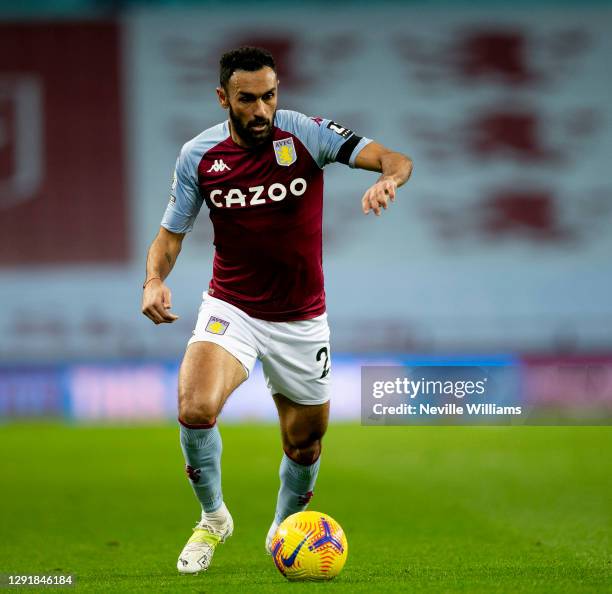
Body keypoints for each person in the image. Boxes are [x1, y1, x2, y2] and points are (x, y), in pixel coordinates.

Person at [141, 46, 413, 574]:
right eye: (248, 99)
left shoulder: (306, 134)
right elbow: (170, 236)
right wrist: (154, 280)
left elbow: (394, 158)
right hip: (232, 307)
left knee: (305, 443)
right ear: (224, 98)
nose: (262, 109)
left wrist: (389, 180)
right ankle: (213, 517)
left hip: (302, 319)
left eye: (269, 96)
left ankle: (281, 531)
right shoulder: (199, 156)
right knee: (195, 407)